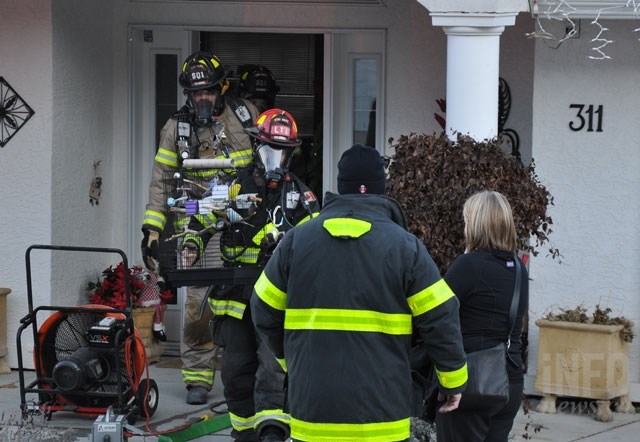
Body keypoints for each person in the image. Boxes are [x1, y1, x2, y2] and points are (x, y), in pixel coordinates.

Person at [251, 144, 468, 442]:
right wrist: (452, 381)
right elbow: (441, 317)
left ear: (341, 188)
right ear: (382, 189)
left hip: (313, 416)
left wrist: (292, 359)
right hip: (382, 419)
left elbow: (262, 307)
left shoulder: (296, 242)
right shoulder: (405, 247)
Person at [141, 51, 259, 405]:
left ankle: (252, 372)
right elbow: (161, 181)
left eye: (208, 91)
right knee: (197, 303)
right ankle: (197, 379)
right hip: (195, 227)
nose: (202, 98)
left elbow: (269, 163)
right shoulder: (175, 129)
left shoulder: (244, 116)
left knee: (249, 301)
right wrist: (152, 230)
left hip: (243, 224)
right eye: (196, 94)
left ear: (220, 88)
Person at [206, 108, 320, 442]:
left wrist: (288, 241)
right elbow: (202, 219)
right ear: (257, 145)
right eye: (269, 147)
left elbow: (316, 243)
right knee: (235, 373)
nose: (276, 156)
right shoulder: (233, 186)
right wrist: (191, 243)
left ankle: (272, 434)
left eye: (282, 150)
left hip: (276, 302)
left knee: (273, 372)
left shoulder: (301, 195)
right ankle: (244, 435)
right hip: (235, 300)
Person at [435, 190, 529, 442]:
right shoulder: (519, 268)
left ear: (476, 225)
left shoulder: (469, 266)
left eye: (466, 222)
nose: (464, 228)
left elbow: (436, 314)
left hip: (474, 382)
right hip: (509, 381)